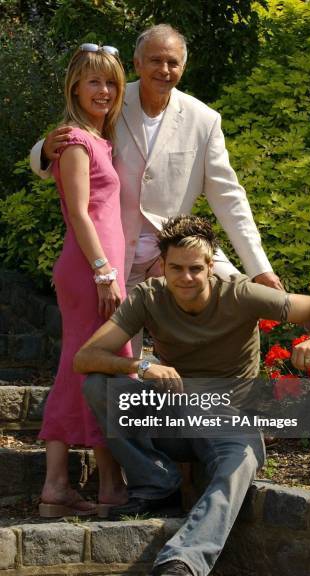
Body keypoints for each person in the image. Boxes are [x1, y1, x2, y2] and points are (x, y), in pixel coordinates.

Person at [73, 215, 310, 576]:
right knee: (98, 385)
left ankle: (182, 563)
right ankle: (156, 481)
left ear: (210, 265)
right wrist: (141, 365)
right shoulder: (149, 295)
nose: (186, 277)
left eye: (196, 268)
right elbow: (86, 358)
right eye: (177, 268)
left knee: (240, 464)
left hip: (226, 417)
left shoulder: (241, 294)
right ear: (162, 266)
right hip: (171, 412)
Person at [30, 25, 283, 355]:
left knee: (239, 301)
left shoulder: (204, 120)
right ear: (137, 63)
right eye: (155, 60)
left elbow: (230, 197)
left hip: (174, 249)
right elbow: (73, 137)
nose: (164, 70)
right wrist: (45, 150)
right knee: (119, 361)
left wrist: (260, 268)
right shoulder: (112, 99)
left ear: (183, 67)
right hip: (115, 253)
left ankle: (216, 401)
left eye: (173, 62)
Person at [38, 44, 132, 518]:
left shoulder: (98, 138)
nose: (105, 90)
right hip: (89, 270)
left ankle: (65, 487)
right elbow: (78, 212)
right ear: (75, 85)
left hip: (101, 268)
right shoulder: (75, 140)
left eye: (112, 82)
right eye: (94, 81)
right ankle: (107, 486)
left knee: (89, 369)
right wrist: (103, 272)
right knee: (97, 367)